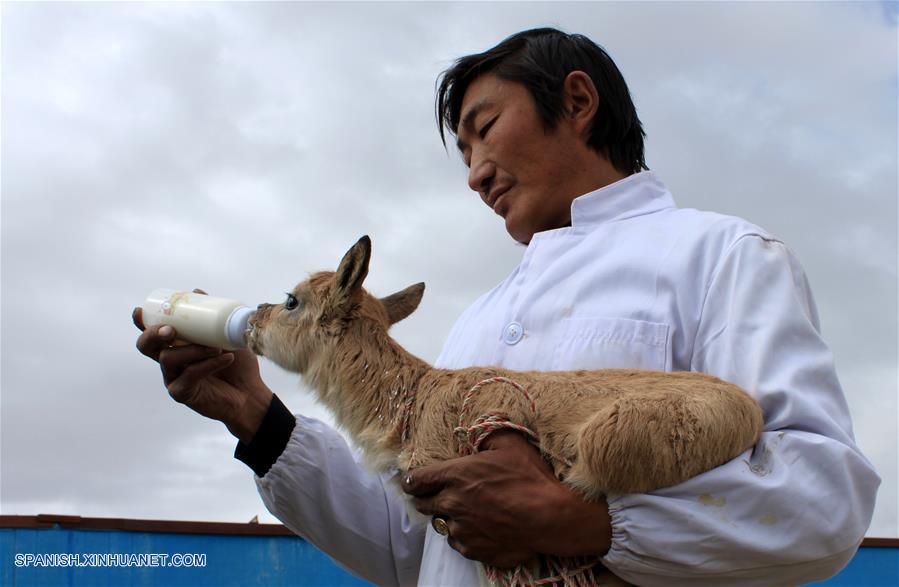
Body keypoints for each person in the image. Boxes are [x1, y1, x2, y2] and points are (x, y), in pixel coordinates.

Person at [134, 28, 880, 586]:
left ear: (578, 102)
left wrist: (587, 524)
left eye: (484, 129)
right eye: (461, 154)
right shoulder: (477, 322)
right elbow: (414, 546)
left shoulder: (720, 255)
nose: (474, 173)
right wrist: (255, 417)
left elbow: (823, 502)